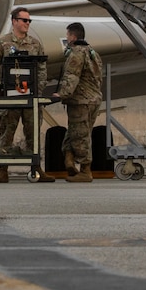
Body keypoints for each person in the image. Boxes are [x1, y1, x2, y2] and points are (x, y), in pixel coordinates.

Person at [0, 7, 47, 182]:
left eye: (29, 21)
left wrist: (38, 92)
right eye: (24, 20)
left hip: (30, 97)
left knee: (33, 134)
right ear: (14, 21)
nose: (27, 24)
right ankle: (3, 169)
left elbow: (41, 70)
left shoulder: (35, 44)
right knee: (6, 133)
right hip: (10, 97)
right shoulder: (2, 43)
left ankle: (36, 167)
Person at [51, 22, 104, 182]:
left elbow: (72, 76)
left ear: (73, 36)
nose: (67, 39)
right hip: (93, 99)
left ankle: (85, 171)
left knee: (80, 136)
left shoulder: (76, 53)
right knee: (75, 132)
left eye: (67, 36)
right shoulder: (93, 53)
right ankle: (69, 161)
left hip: (81, 101)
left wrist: (62, 94)